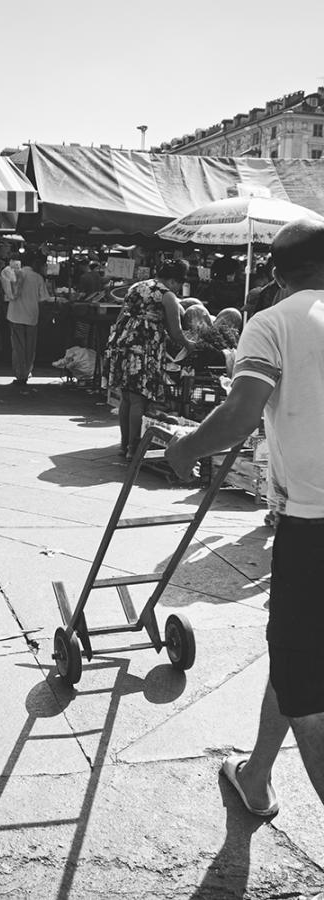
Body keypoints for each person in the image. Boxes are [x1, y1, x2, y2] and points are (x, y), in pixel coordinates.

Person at [165, 218, 324, 814]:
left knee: (308, 691)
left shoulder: (274, 322)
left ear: (277, 274)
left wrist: (182, 451)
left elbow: (239, 414)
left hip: (314, 526)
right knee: (296, 657)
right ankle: (256, 776)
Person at [108, 260, 196, 460]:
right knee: (139, 398)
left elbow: (121, 316)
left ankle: (123, 446)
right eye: (178, 283)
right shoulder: (167, 296)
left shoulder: (136, 287)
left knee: (127, 398)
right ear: (173, 280)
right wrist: (189, 344)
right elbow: (176, 332)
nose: (178, 288)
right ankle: (133, 449)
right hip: (145, 347)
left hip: (123, 342)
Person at [7, 251, 50, 393]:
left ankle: (20, 375)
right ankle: (26, 372)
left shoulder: (14, 274)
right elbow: (44, 298)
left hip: (15, 315)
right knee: (30, 347)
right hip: (31, 316)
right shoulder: (37, 277)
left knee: (18, 347)